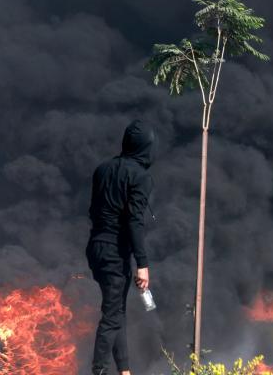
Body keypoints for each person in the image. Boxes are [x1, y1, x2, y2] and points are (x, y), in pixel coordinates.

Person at [86, 119, 156, 375]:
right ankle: (100, 370)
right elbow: (134, 221)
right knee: (112, 316)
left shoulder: (101, 169)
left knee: (117, 312)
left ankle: (124, 371)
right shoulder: (140, 176)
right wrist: (143, 264)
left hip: (96, 248)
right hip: (115, 252)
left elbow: (94, 210)